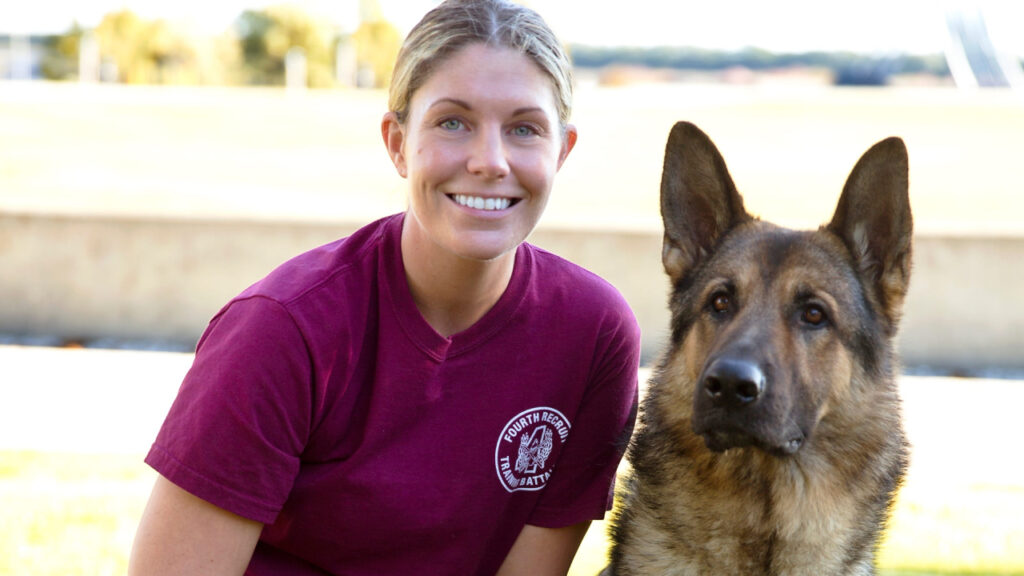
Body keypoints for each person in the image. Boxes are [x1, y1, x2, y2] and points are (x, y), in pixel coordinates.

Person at [128, 0, 641, 574]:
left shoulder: (592, 336)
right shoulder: (281, 329)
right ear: (397, 143)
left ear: (562, 151)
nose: (490, 161)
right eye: (453, 122)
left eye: (525, 129)